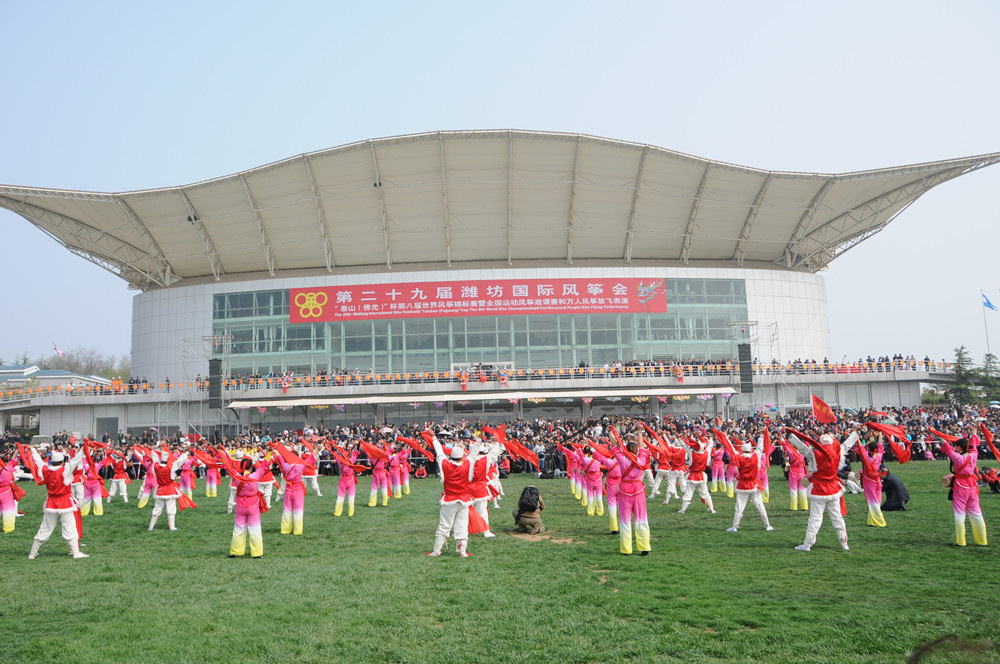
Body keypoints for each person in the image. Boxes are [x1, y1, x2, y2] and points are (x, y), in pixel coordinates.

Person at [788, 428, 858, 552]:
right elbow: (847, 444)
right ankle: (844, 543)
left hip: (819, 491)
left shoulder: (814, 453)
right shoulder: (838, 451)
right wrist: (856, 432)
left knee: (815, 519)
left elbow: (803, 449)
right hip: (833, 490)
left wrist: (791, 437)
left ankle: (807, 544)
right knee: (837, 518)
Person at [27, 446, 88, 559]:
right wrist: (84, 449)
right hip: (65, 503)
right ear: (62, 461)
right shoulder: (65, 469)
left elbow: (39, 462)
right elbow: (75, 460)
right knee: (70, 527)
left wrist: (33, 451)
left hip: (51, 503)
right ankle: (75, 553)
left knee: (45, 528)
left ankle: (32, 553)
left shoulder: (46, 470)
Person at [425, 432, 474, 557]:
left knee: (444, 525)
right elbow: (473, 455)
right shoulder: (466, 465)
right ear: (462, 457)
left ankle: (437, 550)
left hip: (449, 500)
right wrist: (478, 440)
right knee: (462, 525)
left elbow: (439, 452)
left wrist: (434, 437)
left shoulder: (445, 464)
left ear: (451, 456)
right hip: (463, 500)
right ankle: (462, 551)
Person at [717, 430, 773, 533]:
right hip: (753, 485)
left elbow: (731, 449)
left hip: (743, 485)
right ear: (750, 450)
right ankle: (767, 525)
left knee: (739, 507)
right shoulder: (755, 457)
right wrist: (762, 436)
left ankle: (734, 526)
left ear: (742, 450)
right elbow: (760, 448)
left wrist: (726, 439)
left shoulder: (739, 457)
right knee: (760, 506)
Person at [940, 437, 987, 546]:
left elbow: (948, 450)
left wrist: (942, 440)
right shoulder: (974, 455)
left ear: (959, 447)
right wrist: (974, 433)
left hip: (960, 486)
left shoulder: (957, 457)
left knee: (959, 514)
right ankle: (982, 541)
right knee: (977, 514)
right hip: (972, 486)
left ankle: (961, 541)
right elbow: (974, 446)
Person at [613, 432, 652, 555]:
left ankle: (626, 549)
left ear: (626, 450)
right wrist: (639, 431)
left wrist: (610, 433)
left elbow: (615, 446)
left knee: (625, 520)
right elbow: (642, 446)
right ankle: (644, 547)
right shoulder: (641, 459)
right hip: (638, 490)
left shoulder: (622, 459)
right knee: (641, 518)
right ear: (636, 450)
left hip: (624, 489)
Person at [148, 449, 193, 532]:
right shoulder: (171, 467)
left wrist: (153, 452)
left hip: (160, 491)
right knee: (171, 509)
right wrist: (186, 454)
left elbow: (155, 460)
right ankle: (172, 527)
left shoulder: (156, 466)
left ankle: (150, 527)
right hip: (169, 490)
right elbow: (179, 462)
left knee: (157, 509)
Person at [854, 434, 887, 527]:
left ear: (868, 449)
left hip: (869, 481)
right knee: (877, 500)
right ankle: (872, 521)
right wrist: (880, 433)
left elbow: (860, 446)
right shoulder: (879, 455)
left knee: (872, 501)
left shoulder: (866, 457)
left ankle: (880, 521)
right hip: (877, 480)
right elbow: (880, 444)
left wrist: (856, 434)